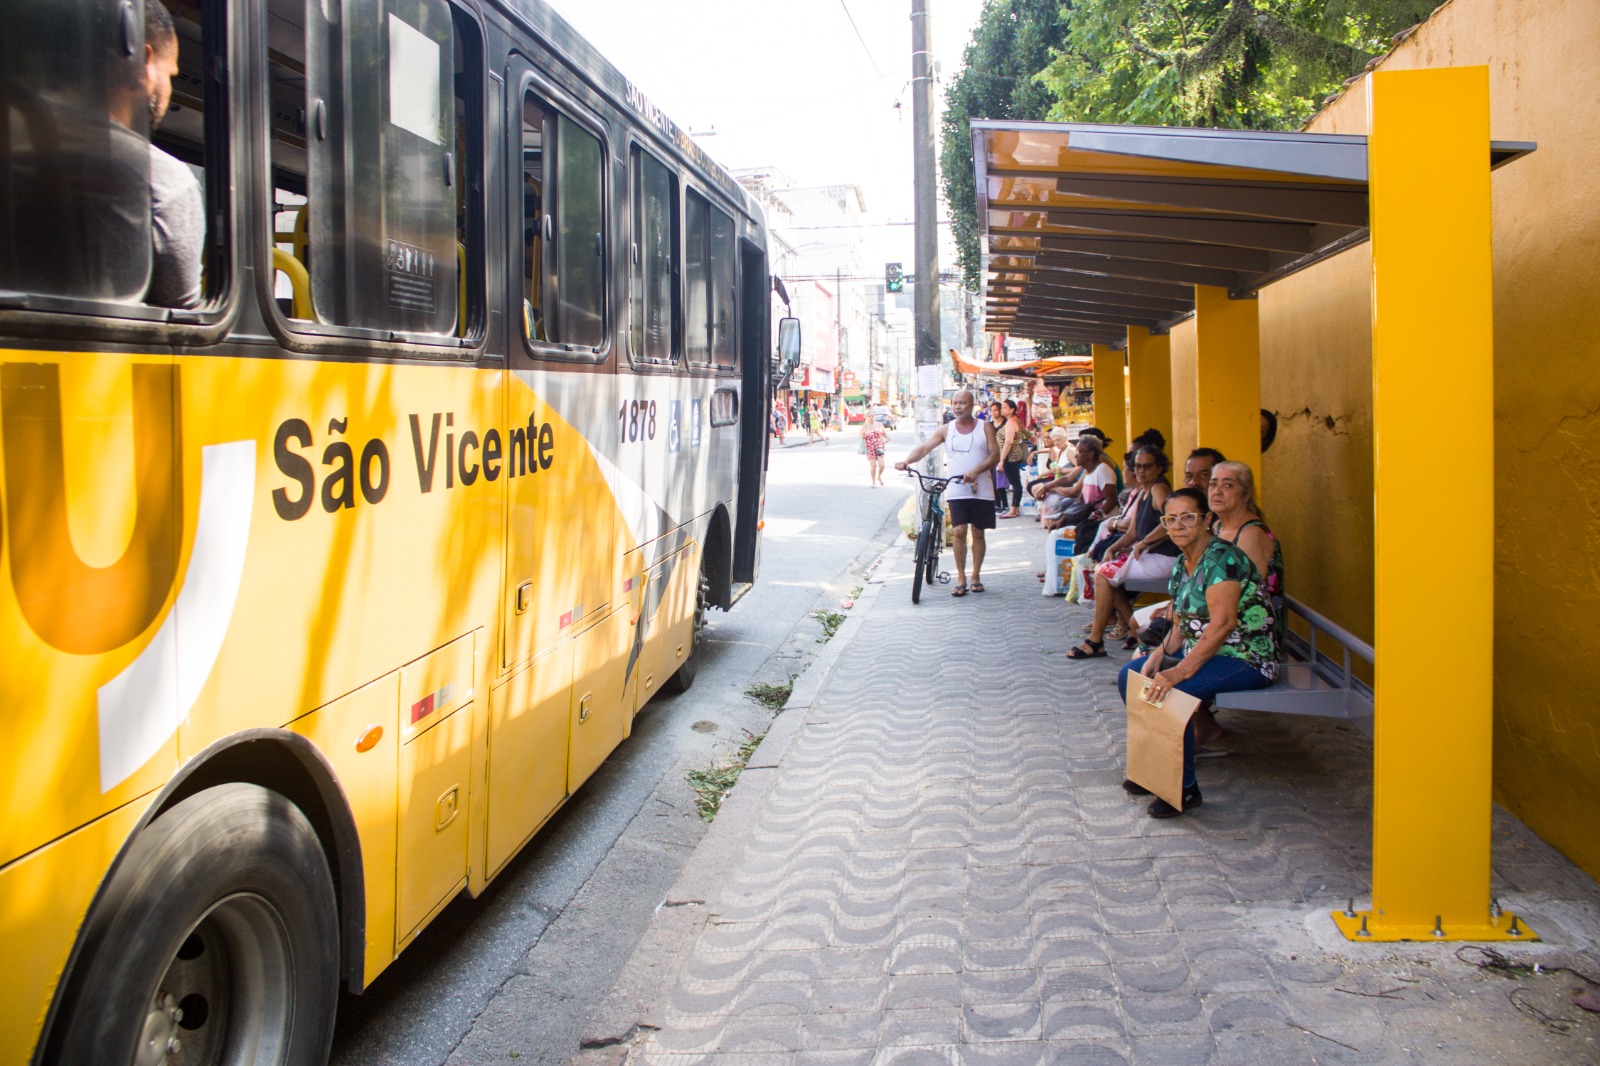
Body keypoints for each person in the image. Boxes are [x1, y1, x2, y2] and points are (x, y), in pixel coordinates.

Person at [1118, 488, 1279, 817]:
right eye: (1171, 519)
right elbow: (1180, 622)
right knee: (1130, 676)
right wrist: (1158, 655)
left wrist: (1178, 671)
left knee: (1172, 692)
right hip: (1207, 653)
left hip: (1246, 658)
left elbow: (1222, 624)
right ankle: (1152, 772)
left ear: (1207, 521)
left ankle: (1184, 788)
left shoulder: (1222, 558)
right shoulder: (1182, 562)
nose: (1178, 526)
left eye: (1188, 518)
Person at [1069, 447, 1177, 655]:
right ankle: (1134, 629)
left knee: (1104, 574)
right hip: (1150, 555)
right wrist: (1112, 548)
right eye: (1137, 467)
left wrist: (1144, 543)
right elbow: (1133, 531)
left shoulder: (1158, 490)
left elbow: (1170, 521)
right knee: (1105, 572)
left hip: (1165, 557)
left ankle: (1096, 641)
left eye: (1147, 466)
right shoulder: (1144, 491)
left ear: (1159, 468)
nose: (1141, 471)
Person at [895, 388, 999, 596]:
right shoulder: (946, 429)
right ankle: (961, 577)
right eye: (955, 403)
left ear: (972, 405)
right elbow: (924, 448)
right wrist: (906, 461)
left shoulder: (985, 427)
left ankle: (976, 576)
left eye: (963, 403)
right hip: (956, 487)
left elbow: (995, 456)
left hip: (982, 487)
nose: (958, 407)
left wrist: (976, 471)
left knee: (978, 532)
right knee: (960, 531)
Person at [141, 0, 203, 309]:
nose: (170, 89)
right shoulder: (165, 182)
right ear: (145, 62)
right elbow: (181, 322)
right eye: (171, 75)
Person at [996, 399, 1030, 519]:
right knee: (1015, 482)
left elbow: (1008, 442)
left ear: (1012, 410)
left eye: (1005, 407)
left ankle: (1013, 510)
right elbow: (1027, 434)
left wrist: (1001, 460)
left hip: (1010, 455)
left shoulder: (1011, 422)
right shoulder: (1015, 420)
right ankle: (1015, 509)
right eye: (1002, 407)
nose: (1002, 410)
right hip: (1014, 454)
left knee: (1015, 483)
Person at [860, 416, 890, 486]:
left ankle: (879, 476)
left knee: (882, 465)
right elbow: (861, 436)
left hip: (879, 447)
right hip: (870, 448)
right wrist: (863, 434)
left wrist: (888, 438)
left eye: (872, 416)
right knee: (873, 466)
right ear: (867, 418)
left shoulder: (879, 424)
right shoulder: (865, 426)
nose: (871, 417)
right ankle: (873, 482)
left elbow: (884, 434)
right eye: (869, 416)